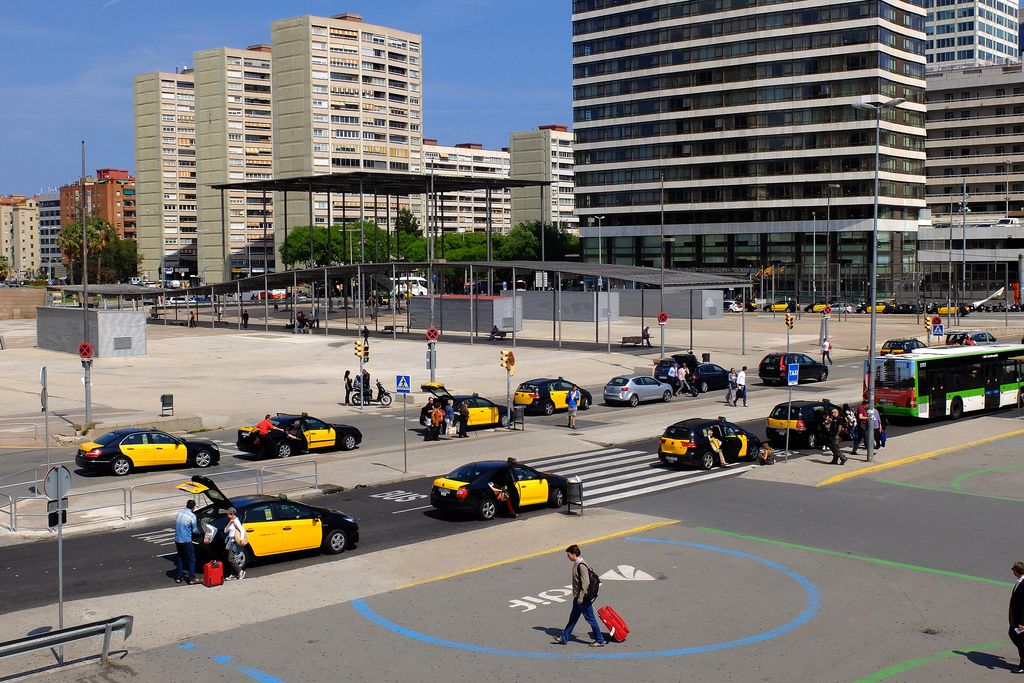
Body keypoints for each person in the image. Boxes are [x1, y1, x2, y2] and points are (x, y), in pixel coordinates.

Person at [552, 544, 606, 647]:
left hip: (583, 598)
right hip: (577, 598)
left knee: (591, 619)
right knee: (573, 618)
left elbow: (585, 582)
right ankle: (564, 638)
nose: (567, 556)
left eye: (568, 554)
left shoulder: (581, 565)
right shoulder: (577, 564)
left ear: (574, 554)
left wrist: (581, 596)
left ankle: (599, 640)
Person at [173, 499, 198, 585]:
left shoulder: (180, 512)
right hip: (186, 540)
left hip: (177, 539)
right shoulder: (192, 516)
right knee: (191, 559)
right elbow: (194, 530)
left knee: (180, 557)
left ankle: (178, 578)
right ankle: (191, 579)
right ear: (193, 507)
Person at [223, 507, 247, 580]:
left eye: (228, 514)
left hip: (234, 542)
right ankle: (234, 574)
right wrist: (229, 524)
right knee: (232, 558)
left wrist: (241, 540)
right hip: (230, 542)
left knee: (230, 558)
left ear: (232, 514)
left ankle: (240, 572)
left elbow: (242, 530)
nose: (227, 516)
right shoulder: (231, 521)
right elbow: (225, 531)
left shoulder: (236, 521)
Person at [1009, 561, 1024, 674]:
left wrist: (1022, 622)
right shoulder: (1020, 581)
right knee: (1014, 635)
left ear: (1016, 571)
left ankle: (1022, 665)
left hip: (1021, 621)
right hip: (1017, 619)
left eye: (1013, 569)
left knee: (1020, 640)